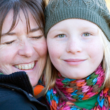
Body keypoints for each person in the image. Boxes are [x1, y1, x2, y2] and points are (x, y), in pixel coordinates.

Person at [44, 0, 110, 109]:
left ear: (105, 42)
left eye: (86, 34)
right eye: (61, 35)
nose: (73, 48)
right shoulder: (31, 99)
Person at [0, 0, 48, 110]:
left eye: (36, 36)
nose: (27, 51)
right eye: (9, 41)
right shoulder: (12, 104)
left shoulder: (51, 93)